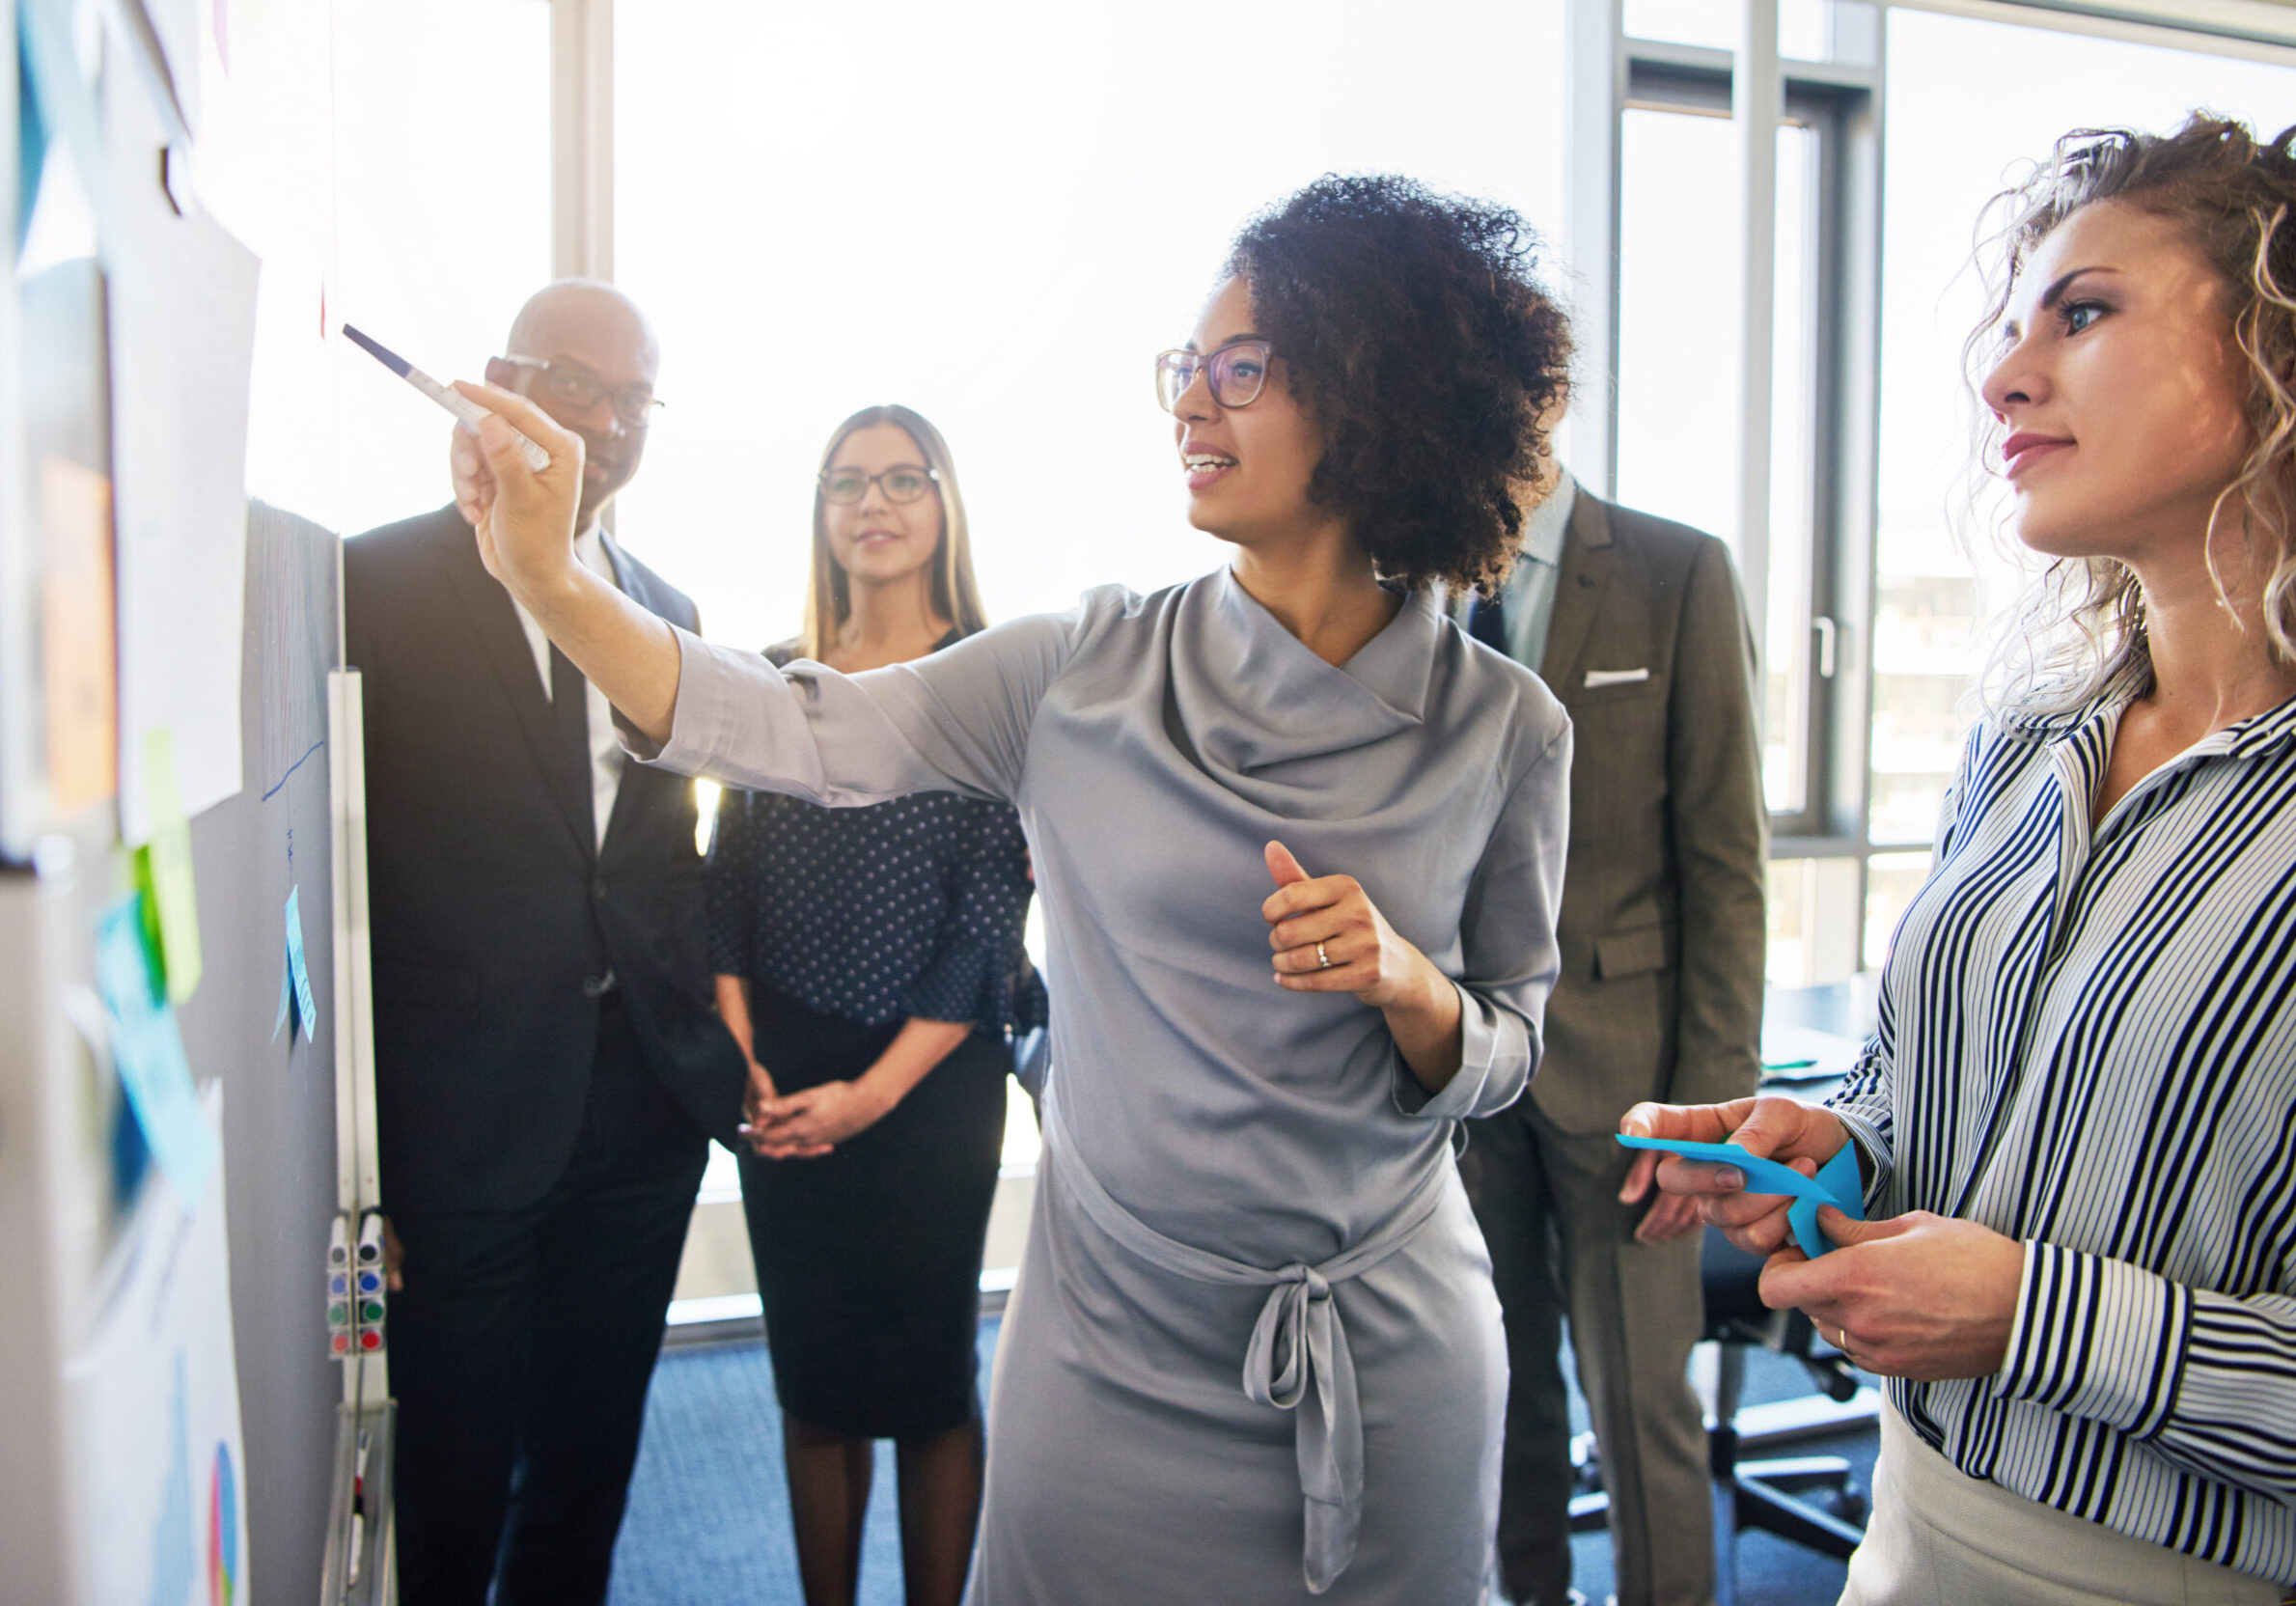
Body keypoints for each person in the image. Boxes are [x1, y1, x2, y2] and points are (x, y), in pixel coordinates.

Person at [446, 174, 1575, 1603]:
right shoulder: (1075, 671)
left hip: (1385, 1352)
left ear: (1374, 398)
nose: (1190, 406)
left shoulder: (1508, 728)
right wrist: (551, 585)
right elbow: (790, 724)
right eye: (1186, 368)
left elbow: (1507, 1054)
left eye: (1241, 371)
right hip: (1112, 1349)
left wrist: (1410, 985)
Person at [1628, 116, 2296, 1604]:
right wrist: (1844, 1146)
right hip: (1907, 1528)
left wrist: (2028, 1322)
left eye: (2082, 311)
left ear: (2275, 347)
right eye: (2008, 328)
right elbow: (1946, 1105)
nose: (2000, 376)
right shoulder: (2028, 743)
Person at [344, 279, 745, 1606]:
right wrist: (362, 1157)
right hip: (461, 1120)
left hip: (638, 1107)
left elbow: (659, 853)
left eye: (633, 399)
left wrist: (706, 1034)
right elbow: (337, 877)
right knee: (454, 1476)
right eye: (577, 382)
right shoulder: (374, 582)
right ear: (498, 379)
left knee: (589, 1464)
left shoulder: (665, 603)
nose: (608, 421)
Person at [706, 403, 1042, 1606]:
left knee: (929, 1380)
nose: (874, 502)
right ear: (821, 509)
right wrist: (740, 1055)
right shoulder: (773, 674)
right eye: (847, 480)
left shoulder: (995, 678)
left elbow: (986, 929)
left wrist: (868, 1098)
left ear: (945, 504)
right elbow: (726, 882)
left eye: (905, 478)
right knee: (814, 1375)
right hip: (782, 1070)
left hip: (932, 1080)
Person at [1458, 437, 1765, 1606]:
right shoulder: (1410, 575)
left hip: (1635, 1083)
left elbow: (1727, 867)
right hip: (1461, 1078)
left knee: (1644, 1406)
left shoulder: (1674, 570)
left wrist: (1711, 1125)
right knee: (1499, 1390)